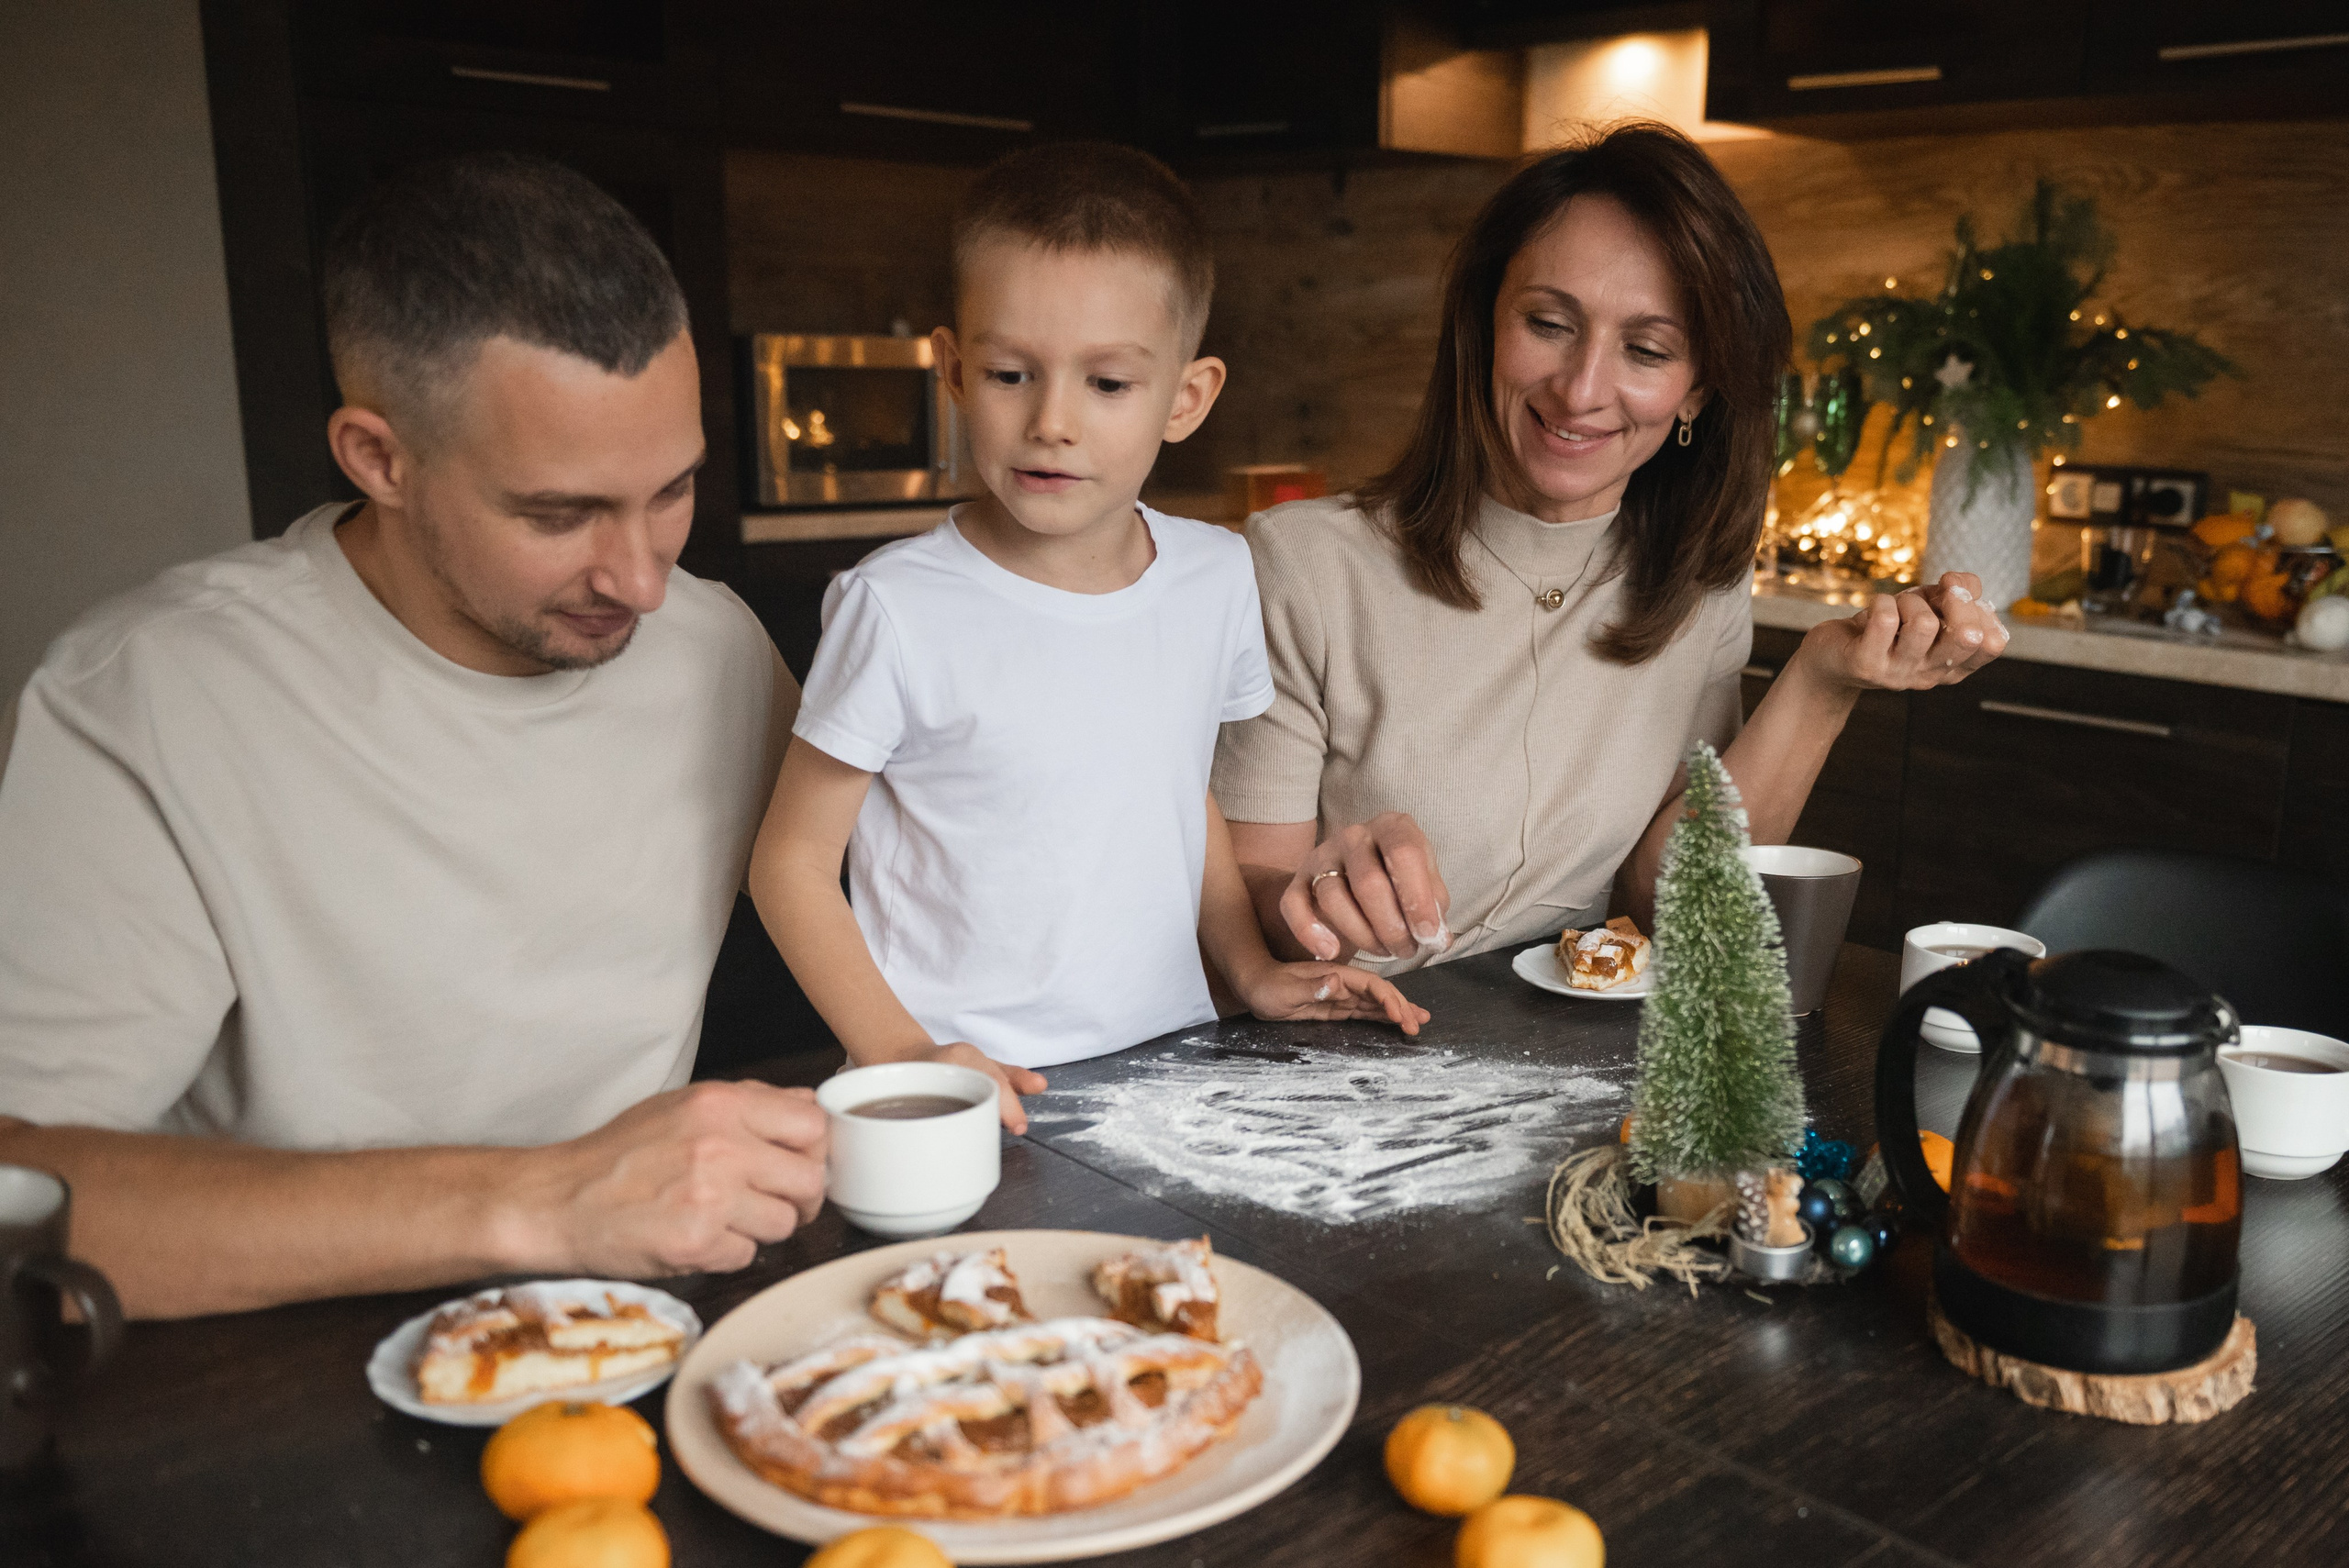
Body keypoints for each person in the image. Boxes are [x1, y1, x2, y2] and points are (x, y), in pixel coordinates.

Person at [0, 153, 828, 1318]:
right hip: (273, 1374)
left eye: (671, 490)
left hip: (631, 1325)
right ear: (378, 458)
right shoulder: (146, 698)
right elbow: (19, 1189)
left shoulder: (718, 648)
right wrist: (543, 1199)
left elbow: (920, 872)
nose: (644, 580)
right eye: (558, 513)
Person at [1213, 124, 2011, 970]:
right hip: (1339, 1061)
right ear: (1485, 325)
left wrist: (1822, 680)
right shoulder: (1299, 564)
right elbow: (1247, 899)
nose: (1582, 389)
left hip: (1566, 1057)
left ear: (1697, 388)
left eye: (1645, 349)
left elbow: (1663, 906)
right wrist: (1315, 896)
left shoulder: (1697, 579)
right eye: (1550, 323)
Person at [751, 143, 1426, 1134]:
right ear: (952, 370)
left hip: (1171, 1067)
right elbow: (790, 863)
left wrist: (1248, 967)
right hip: (961, 1096)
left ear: (1186, 398)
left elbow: (1174, 788)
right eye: (1010, 372)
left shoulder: (1214, 574)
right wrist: (906, 1059)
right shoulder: (896, 605)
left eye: (1107, 383)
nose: (1051, 421)